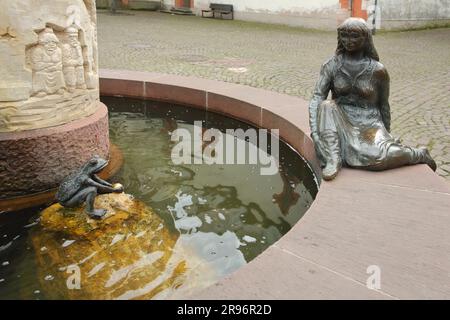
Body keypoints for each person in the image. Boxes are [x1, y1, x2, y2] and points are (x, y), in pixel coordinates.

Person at [309, 18, 436, 181]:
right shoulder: (331, 65)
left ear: (366, 38)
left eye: (354, 36)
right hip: (339, 117)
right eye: (344, 36)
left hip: (369, 123)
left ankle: (418, 154)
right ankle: (334, 159)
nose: (348, 41)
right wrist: (315, 132)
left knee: (379, 158)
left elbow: (384, 105)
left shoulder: (378, 70)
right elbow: (316, 98)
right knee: (326, 105)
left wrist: (386, 136)